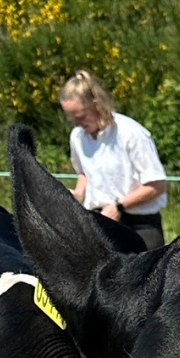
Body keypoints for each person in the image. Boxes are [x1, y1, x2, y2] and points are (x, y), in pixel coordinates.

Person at [59, 71, 170, 249]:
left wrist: (118, 206)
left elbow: (157, 185)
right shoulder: (77, 137)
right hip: (98, 223)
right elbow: (84, 172)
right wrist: (78, 193)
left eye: (80, 116)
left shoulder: (131, 133)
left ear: (96, 105)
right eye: (71, 118)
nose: (76, 124)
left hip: (140, 226)